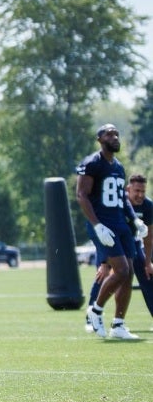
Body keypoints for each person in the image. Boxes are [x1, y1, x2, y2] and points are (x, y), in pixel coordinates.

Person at [76, 124, 147, 339]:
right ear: (99, 139)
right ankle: (96, 310)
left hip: (120, 223)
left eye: (116, 133)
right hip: (102, 224)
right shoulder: (92, 164)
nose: (115, 137)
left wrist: (135, 220)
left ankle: (118, 325)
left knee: (129, 273)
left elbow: (122, 198)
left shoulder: (118, 166)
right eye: (109, 134)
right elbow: (81, 195)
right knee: (122, 270)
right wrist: (97, 225)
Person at [85, 173, 153, 332]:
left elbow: (149, 237)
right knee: (103, 275)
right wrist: (103, 262)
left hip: (133, 244)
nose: (140, 195)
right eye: (136, 191)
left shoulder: (148, 206)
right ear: (128, 189)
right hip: (111, 243)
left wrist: (148, 262)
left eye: (143, 191)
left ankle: (119, 323)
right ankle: (91, 316)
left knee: (147, 275)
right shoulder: (116, 204)